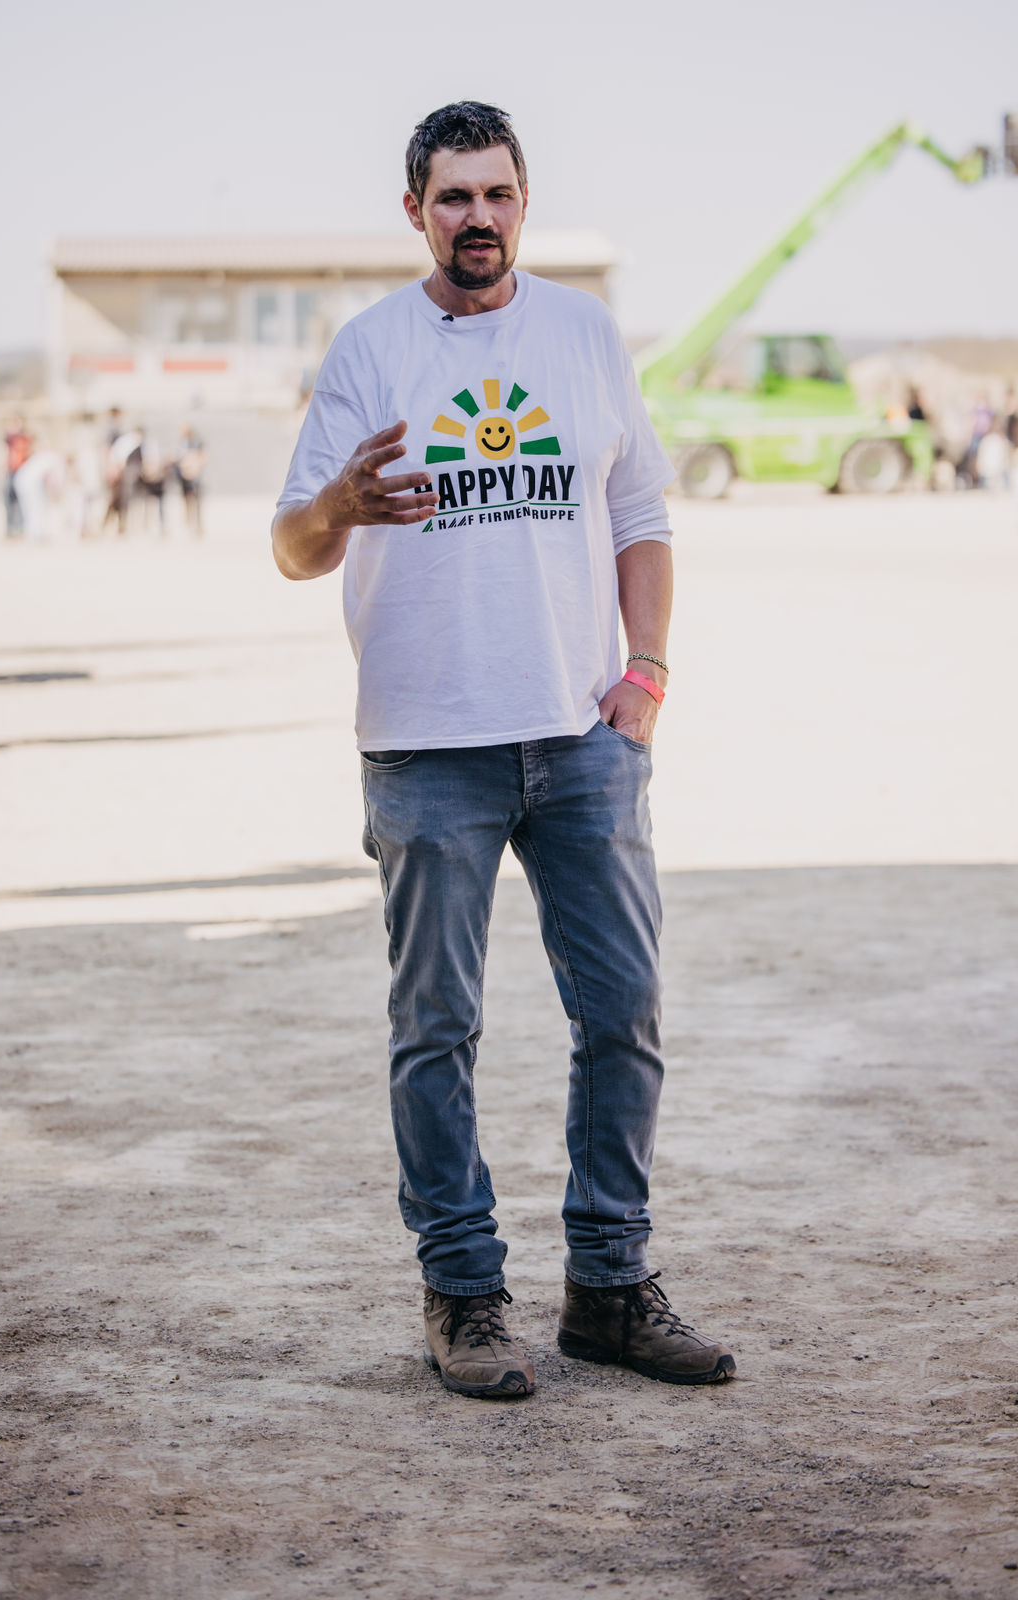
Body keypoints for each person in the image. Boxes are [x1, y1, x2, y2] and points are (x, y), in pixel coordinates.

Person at [272, 102, 735, 1399]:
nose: (475, 217)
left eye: (495, 194)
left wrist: (645, 673)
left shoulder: (581, 335)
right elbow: (292, 549)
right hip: (428, 747)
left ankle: (609, 1288)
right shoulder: (369, 350)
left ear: (522, 202)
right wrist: (338, 505)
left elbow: (639, 514)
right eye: (451, 197)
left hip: (581, 739)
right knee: (436, 1027)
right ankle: (463, 1295)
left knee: (622, 1012)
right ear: (414, 212)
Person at [174, 424, 206, 535]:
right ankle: (189, 521)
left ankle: (198, 524)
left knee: (196, 500)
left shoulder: (197, 443)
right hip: (184, 475)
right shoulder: (182, 444)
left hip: (195, 475)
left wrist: (194, 468)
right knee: (186, 499)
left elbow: (202, 457)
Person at [3, 417, 33, 537]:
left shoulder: (25, 438)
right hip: (11, 471)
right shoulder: (8, 439)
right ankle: (10, 528)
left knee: (21, 500)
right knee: (9, 501)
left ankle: (20, 527)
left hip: (22, 471)